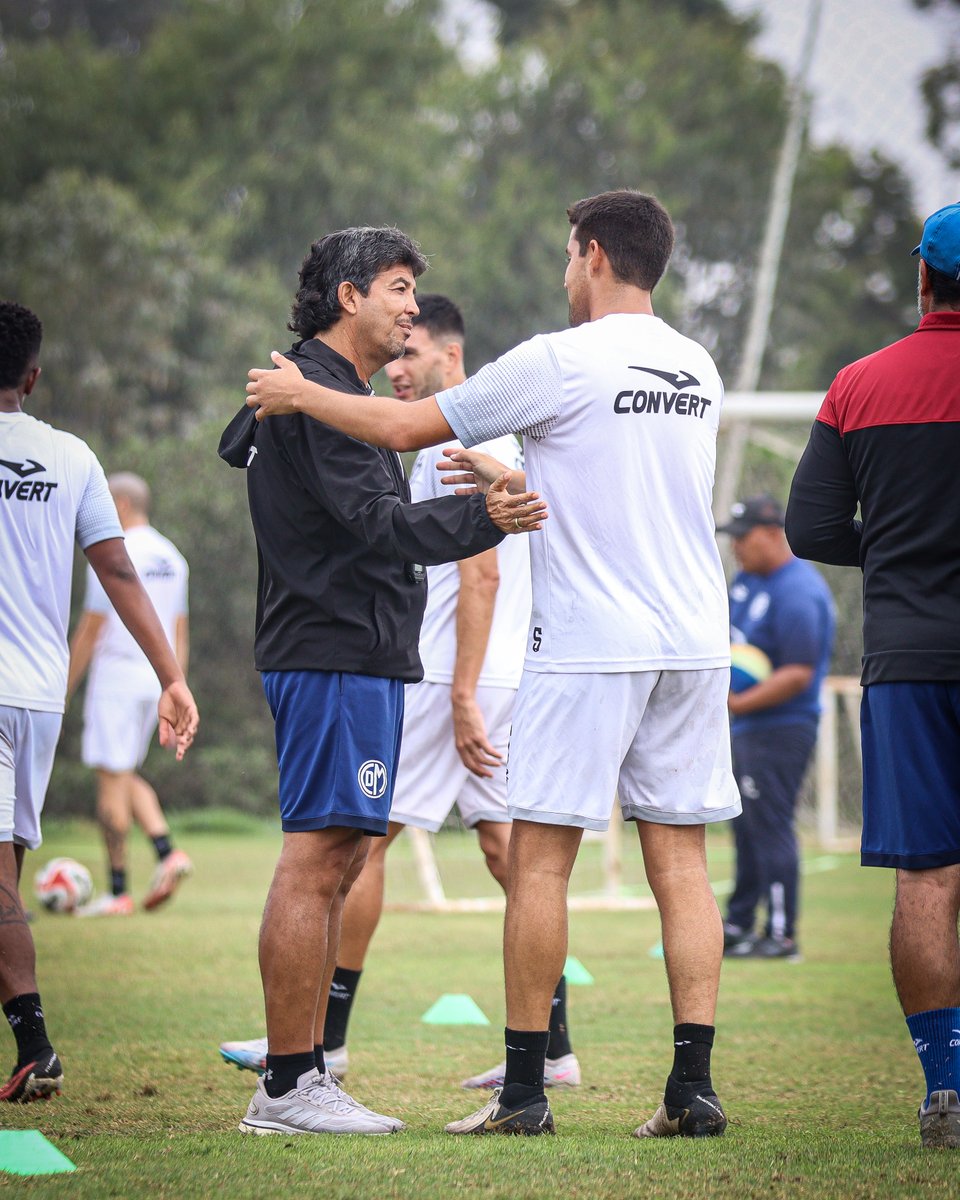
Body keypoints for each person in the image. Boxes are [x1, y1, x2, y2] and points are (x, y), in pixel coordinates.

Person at [244, 191, 740, 1139]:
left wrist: (298, 392)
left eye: (565, 257)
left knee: (540, 865)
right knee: (681, 866)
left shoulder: (557, 358)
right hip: (694, 640)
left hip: (591, 641)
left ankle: (524, 1094)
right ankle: (691, 1089)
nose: (562, 275)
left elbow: (399, 430)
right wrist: (514, 484)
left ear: (594, 255)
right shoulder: (697, 365)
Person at [217, 229, 545, 1138]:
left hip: (355, 655)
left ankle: (306, 1070)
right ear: (349, 296)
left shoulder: (332, 393)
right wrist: (491, 517)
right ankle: (287, 1088)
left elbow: (372, 516)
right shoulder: (317, 396)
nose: (412, 308)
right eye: (399, 289)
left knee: (346, 856)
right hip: (331, 654)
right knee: (317, 857)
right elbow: (381, 526)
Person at [786, 201, 960, 1150]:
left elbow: (811, 530)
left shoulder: (860, 385)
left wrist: (896, 553)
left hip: (911, 659)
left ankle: (947, 1092)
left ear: (924, 279)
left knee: (928, 880)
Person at [0, 301, 198, 1102]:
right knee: (6, 879)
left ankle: (36, 1042)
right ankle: (30, 1042)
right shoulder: (71, 456)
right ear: (34, 376)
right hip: (39, 697)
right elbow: (117, 573)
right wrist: (173, 676)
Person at [67, 472, 193, 916]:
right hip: (156, 681)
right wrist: (177, 688)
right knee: (124, 771)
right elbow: (180, 630)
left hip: (116, 677)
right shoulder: (172, 557)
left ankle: (117, 890)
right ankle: (166, 852)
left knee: (111, 778)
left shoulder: (112, 550)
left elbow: (91, 627)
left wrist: (62, 686)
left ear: (119, 505)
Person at [715, 493, 835, 961]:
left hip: (782, 727)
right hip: (748, 727)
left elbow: (800, 671)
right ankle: (739, 923)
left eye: (743, 538)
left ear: (771, 534)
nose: (737, 547)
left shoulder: (798, 591)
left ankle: (782, 934)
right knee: (746, 826)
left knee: (770, 826)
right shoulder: (746, 582)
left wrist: (738, 700)